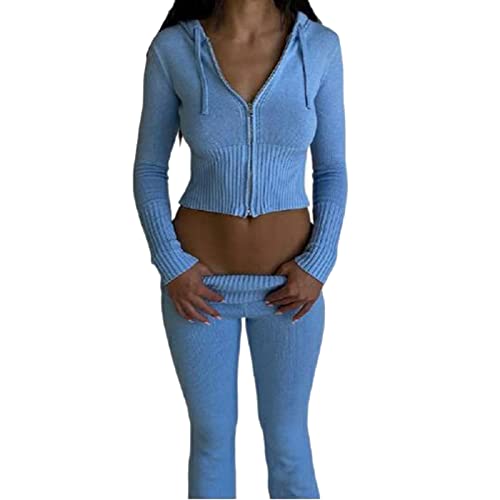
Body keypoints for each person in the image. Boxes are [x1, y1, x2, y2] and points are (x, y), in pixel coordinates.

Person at [133, 0, 347, 497]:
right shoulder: (173, 50)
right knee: (211, 440)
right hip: (198, 289)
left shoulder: (320, 48)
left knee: (288, 442)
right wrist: (171, 264)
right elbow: (149, 169)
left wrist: (318, 264)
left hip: (291, 291)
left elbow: (332, 170)